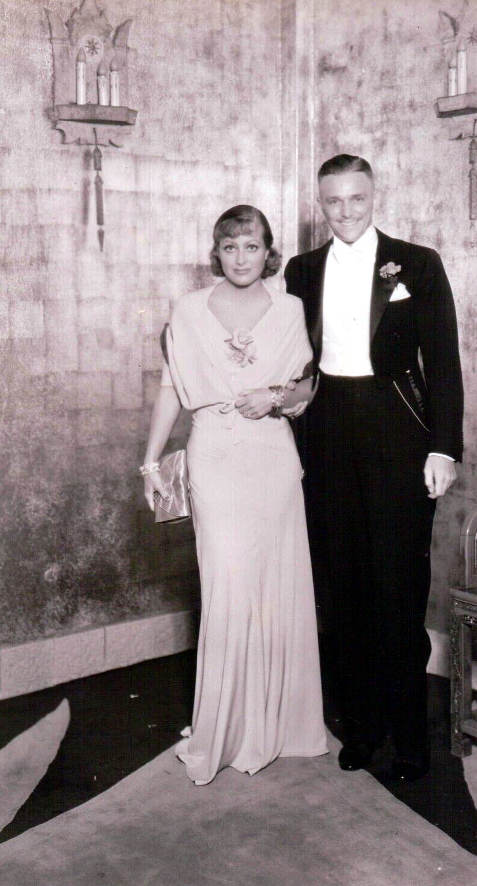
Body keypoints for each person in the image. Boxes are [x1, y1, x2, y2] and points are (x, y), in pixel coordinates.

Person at [284, 155, 463, 781]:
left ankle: (411, 737)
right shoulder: (301, 269)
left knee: (398, 587)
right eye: (333, 202)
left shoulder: (418, 262)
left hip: (398, 429)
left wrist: (444, 448)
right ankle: (360, 728)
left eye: (355, 199)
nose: (345, 213)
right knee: (342, 586)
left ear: (374, 196)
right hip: (327, 429)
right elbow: (295, 361)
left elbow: (443, 360)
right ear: (321, 203)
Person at [141, 205, 327, 786]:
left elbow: (307, 387)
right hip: (215, 453)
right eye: (230, 247)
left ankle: (276, 726)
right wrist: (150, 459)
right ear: (215, 253)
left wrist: (274, 397)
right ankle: (221, 729)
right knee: (227, 584)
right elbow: (172, 386)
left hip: (271, 453)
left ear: (268, 251)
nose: (241, 258)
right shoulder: (189, 309)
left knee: (274, 585)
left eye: (251, 247)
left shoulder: (292, 308)